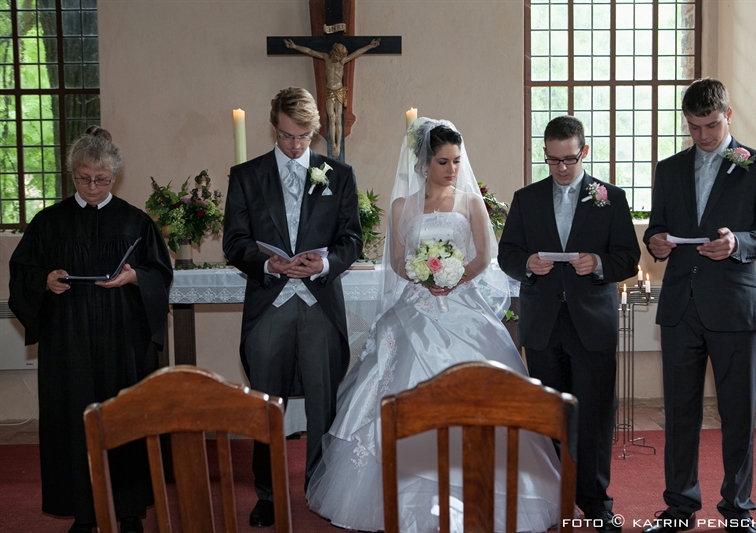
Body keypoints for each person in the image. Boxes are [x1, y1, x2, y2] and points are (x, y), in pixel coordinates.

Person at [305, 118, 562, 533]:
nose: (452, 169)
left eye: (457, 161)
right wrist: (423, 275)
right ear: (424, 163)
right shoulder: (403, 206)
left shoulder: (470, 201)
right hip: (416, 305)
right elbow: (396, 260)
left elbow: (485, 255)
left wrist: (455, 275)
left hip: (463, 304)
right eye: (443, 161)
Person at [641, 78, 756, 533]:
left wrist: (738, 242)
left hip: (735, 310)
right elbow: (656, 229)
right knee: (680, 411)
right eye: (693, 127)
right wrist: (656, 243)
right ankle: (680, 508)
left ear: (729, 116)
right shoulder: (668, 170)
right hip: (680, 309)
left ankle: (738, 510)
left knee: (738, 414)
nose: (703, 136)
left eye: (710, 125)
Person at [8, 126, 173, 533]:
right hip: (70, 343)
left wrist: (135, 277)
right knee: (73, 422)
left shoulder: (135, 221)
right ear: (73, 175)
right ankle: (84, 511)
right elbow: (21, 274)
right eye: (84, 178)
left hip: (123, 343)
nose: (93, 185)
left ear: (114, 176)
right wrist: (45, 280)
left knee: (126, 420)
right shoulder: (49, 222)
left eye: (101, 179)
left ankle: (130, 510)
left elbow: (160, 273)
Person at [222, 87, 362, 528]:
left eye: (302, 137)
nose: (295, 145)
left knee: (323, 401)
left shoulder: (337, 175)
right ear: (274, 126)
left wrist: (323, 262)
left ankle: (320, 487)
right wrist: (267, 262)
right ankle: (267, 492)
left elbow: (351, 240)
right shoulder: (246, 176)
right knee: (267, 402)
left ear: (314, 132)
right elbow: (234, 241)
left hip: (318, 303)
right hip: (271, 303)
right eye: (286, 136)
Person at [498, 116, 640, 533]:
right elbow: (508, 252)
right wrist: (527, 263)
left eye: (569, 159)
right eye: (552, 160)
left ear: (585, 152)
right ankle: (552, 497)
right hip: (543, 322)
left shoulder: (609, 198)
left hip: (591, 320)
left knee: (595, 414)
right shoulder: (526, 199)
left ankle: (596, 501)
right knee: (550, 415)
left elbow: (627, 258)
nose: (561, 168)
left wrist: (597, 263)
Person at [284, 38, 381, 159]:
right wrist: (294, 46)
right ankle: (333, 144)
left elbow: (356, 53)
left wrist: (370, 46)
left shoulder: (342, 61)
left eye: (341, 57)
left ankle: (338, 146)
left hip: (339, 91)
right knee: (331, 117)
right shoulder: (326, 57)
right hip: (329, 91)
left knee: (338, 119)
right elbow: (310, 51)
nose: (339, 59)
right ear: (334, 53)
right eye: (338, 56)